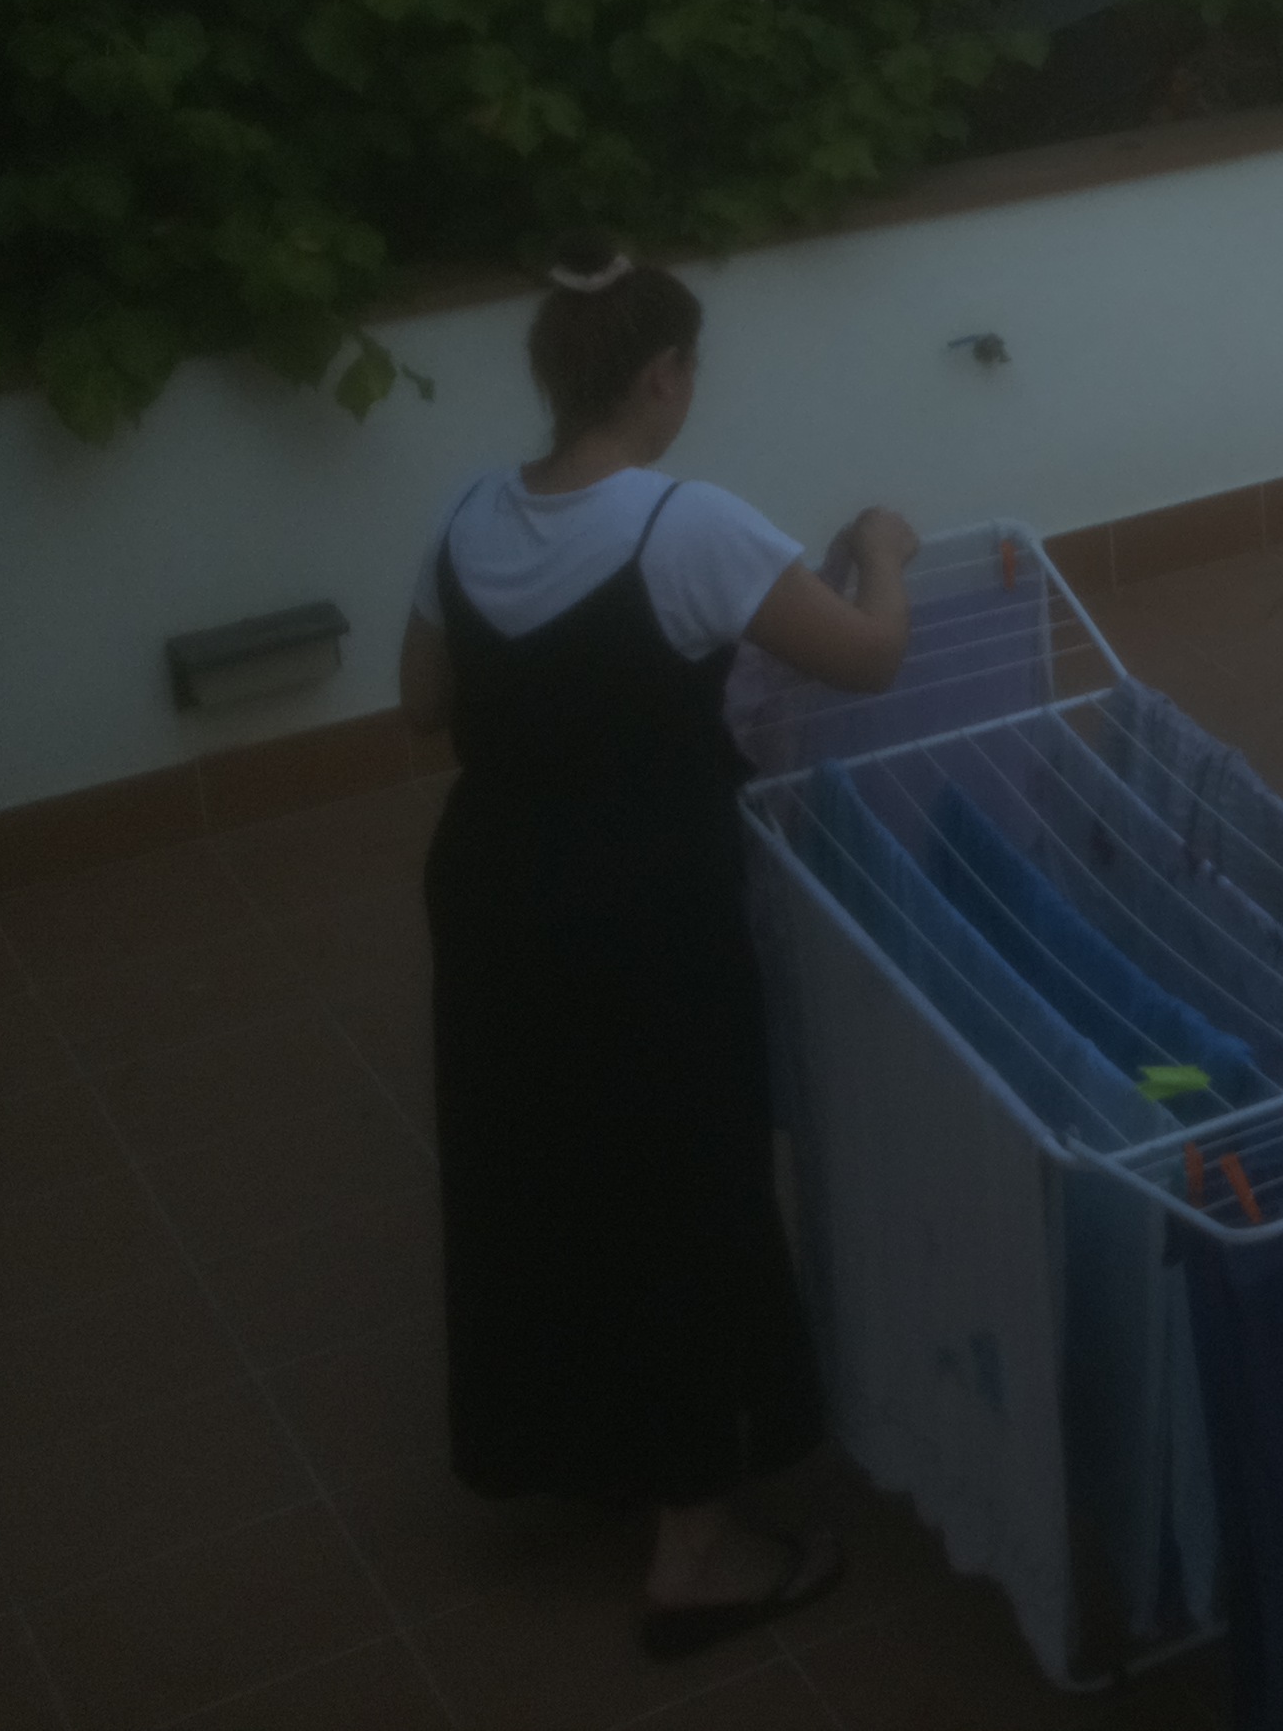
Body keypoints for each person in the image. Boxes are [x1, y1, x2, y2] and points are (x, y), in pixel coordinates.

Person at [399, 240, 922, 1659]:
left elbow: (421, 706)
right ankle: (694, 1544)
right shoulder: (690, 528)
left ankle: (579, 1445)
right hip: (643, 905)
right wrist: (883, 553)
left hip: (493, 892)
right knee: (684, 1181)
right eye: (689, 367)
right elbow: (869, 658)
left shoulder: (465, 518)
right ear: (659, 376)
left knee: (536, 1166)